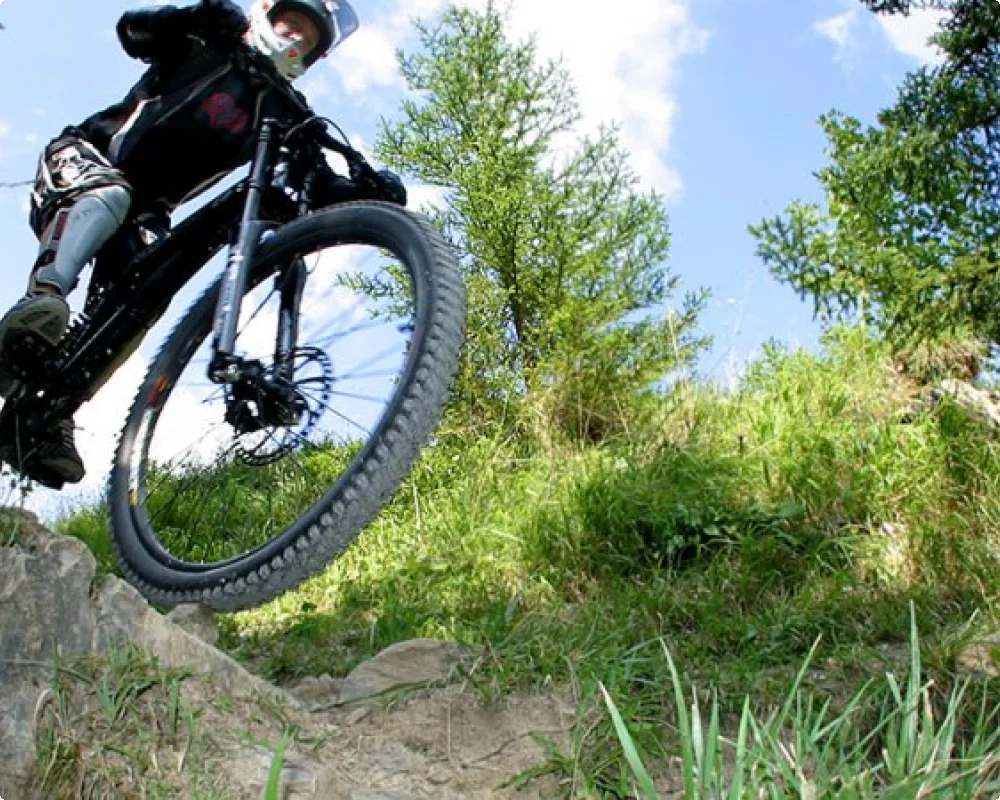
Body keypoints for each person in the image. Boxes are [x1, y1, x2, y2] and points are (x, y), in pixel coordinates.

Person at [0, 0, 406, 486]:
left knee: (145, 291)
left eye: (308, 40)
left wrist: (368, 190)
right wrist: (194, 17)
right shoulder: (210, 41)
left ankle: (50, 413)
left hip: (146, 215)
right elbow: (133, 33)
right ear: (266, 13)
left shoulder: (282, 111)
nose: (296, 38)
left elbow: (316, 189)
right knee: (110, 195)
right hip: (85, 158)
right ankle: (40, 309)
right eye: (291, 24)